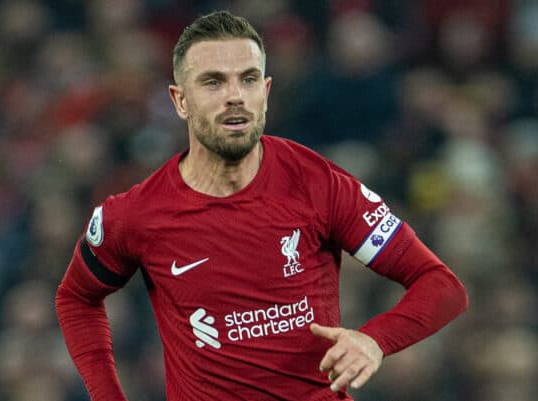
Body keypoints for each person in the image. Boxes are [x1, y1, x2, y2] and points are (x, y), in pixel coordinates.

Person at [55, 10, 468, 401]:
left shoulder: (318, 184)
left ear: (266, 92)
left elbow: (441, 286)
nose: (235, 96)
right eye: (213, 82)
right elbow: (77, 299)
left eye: (248, 79)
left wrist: (375, 340)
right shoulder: (136, 214)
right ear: (180, 101)